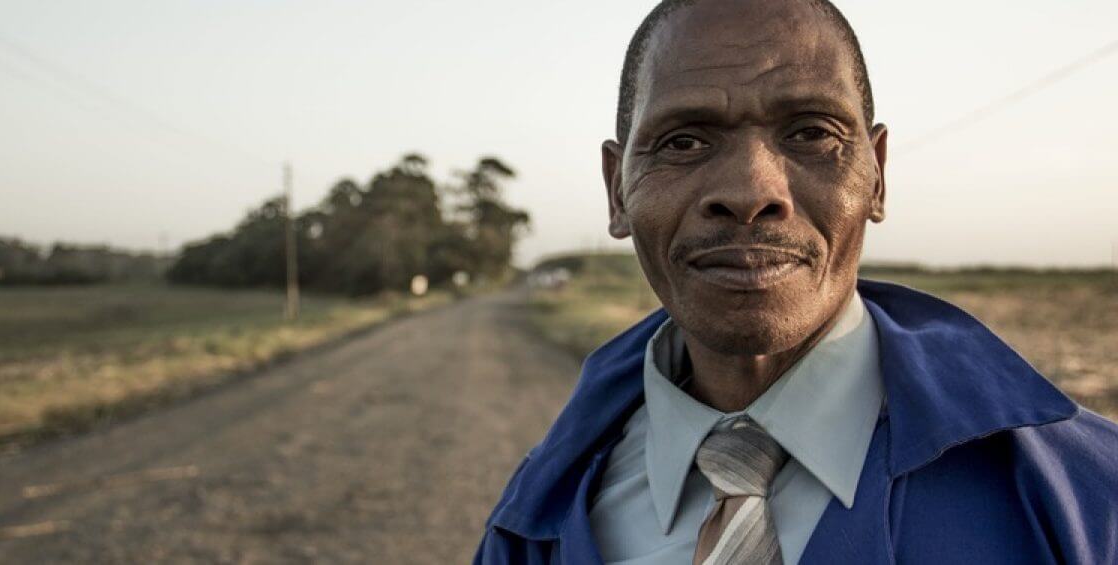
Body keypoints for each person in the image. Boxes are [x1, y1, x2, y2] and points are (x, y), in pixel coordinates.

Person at [474, 0, 1118, 563]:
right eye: (684, 143)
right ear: (617, 190)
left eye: (812, 133)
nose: (752, 192)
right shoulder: (537, 522)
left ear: (878, 175)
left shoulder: (1086, 498)